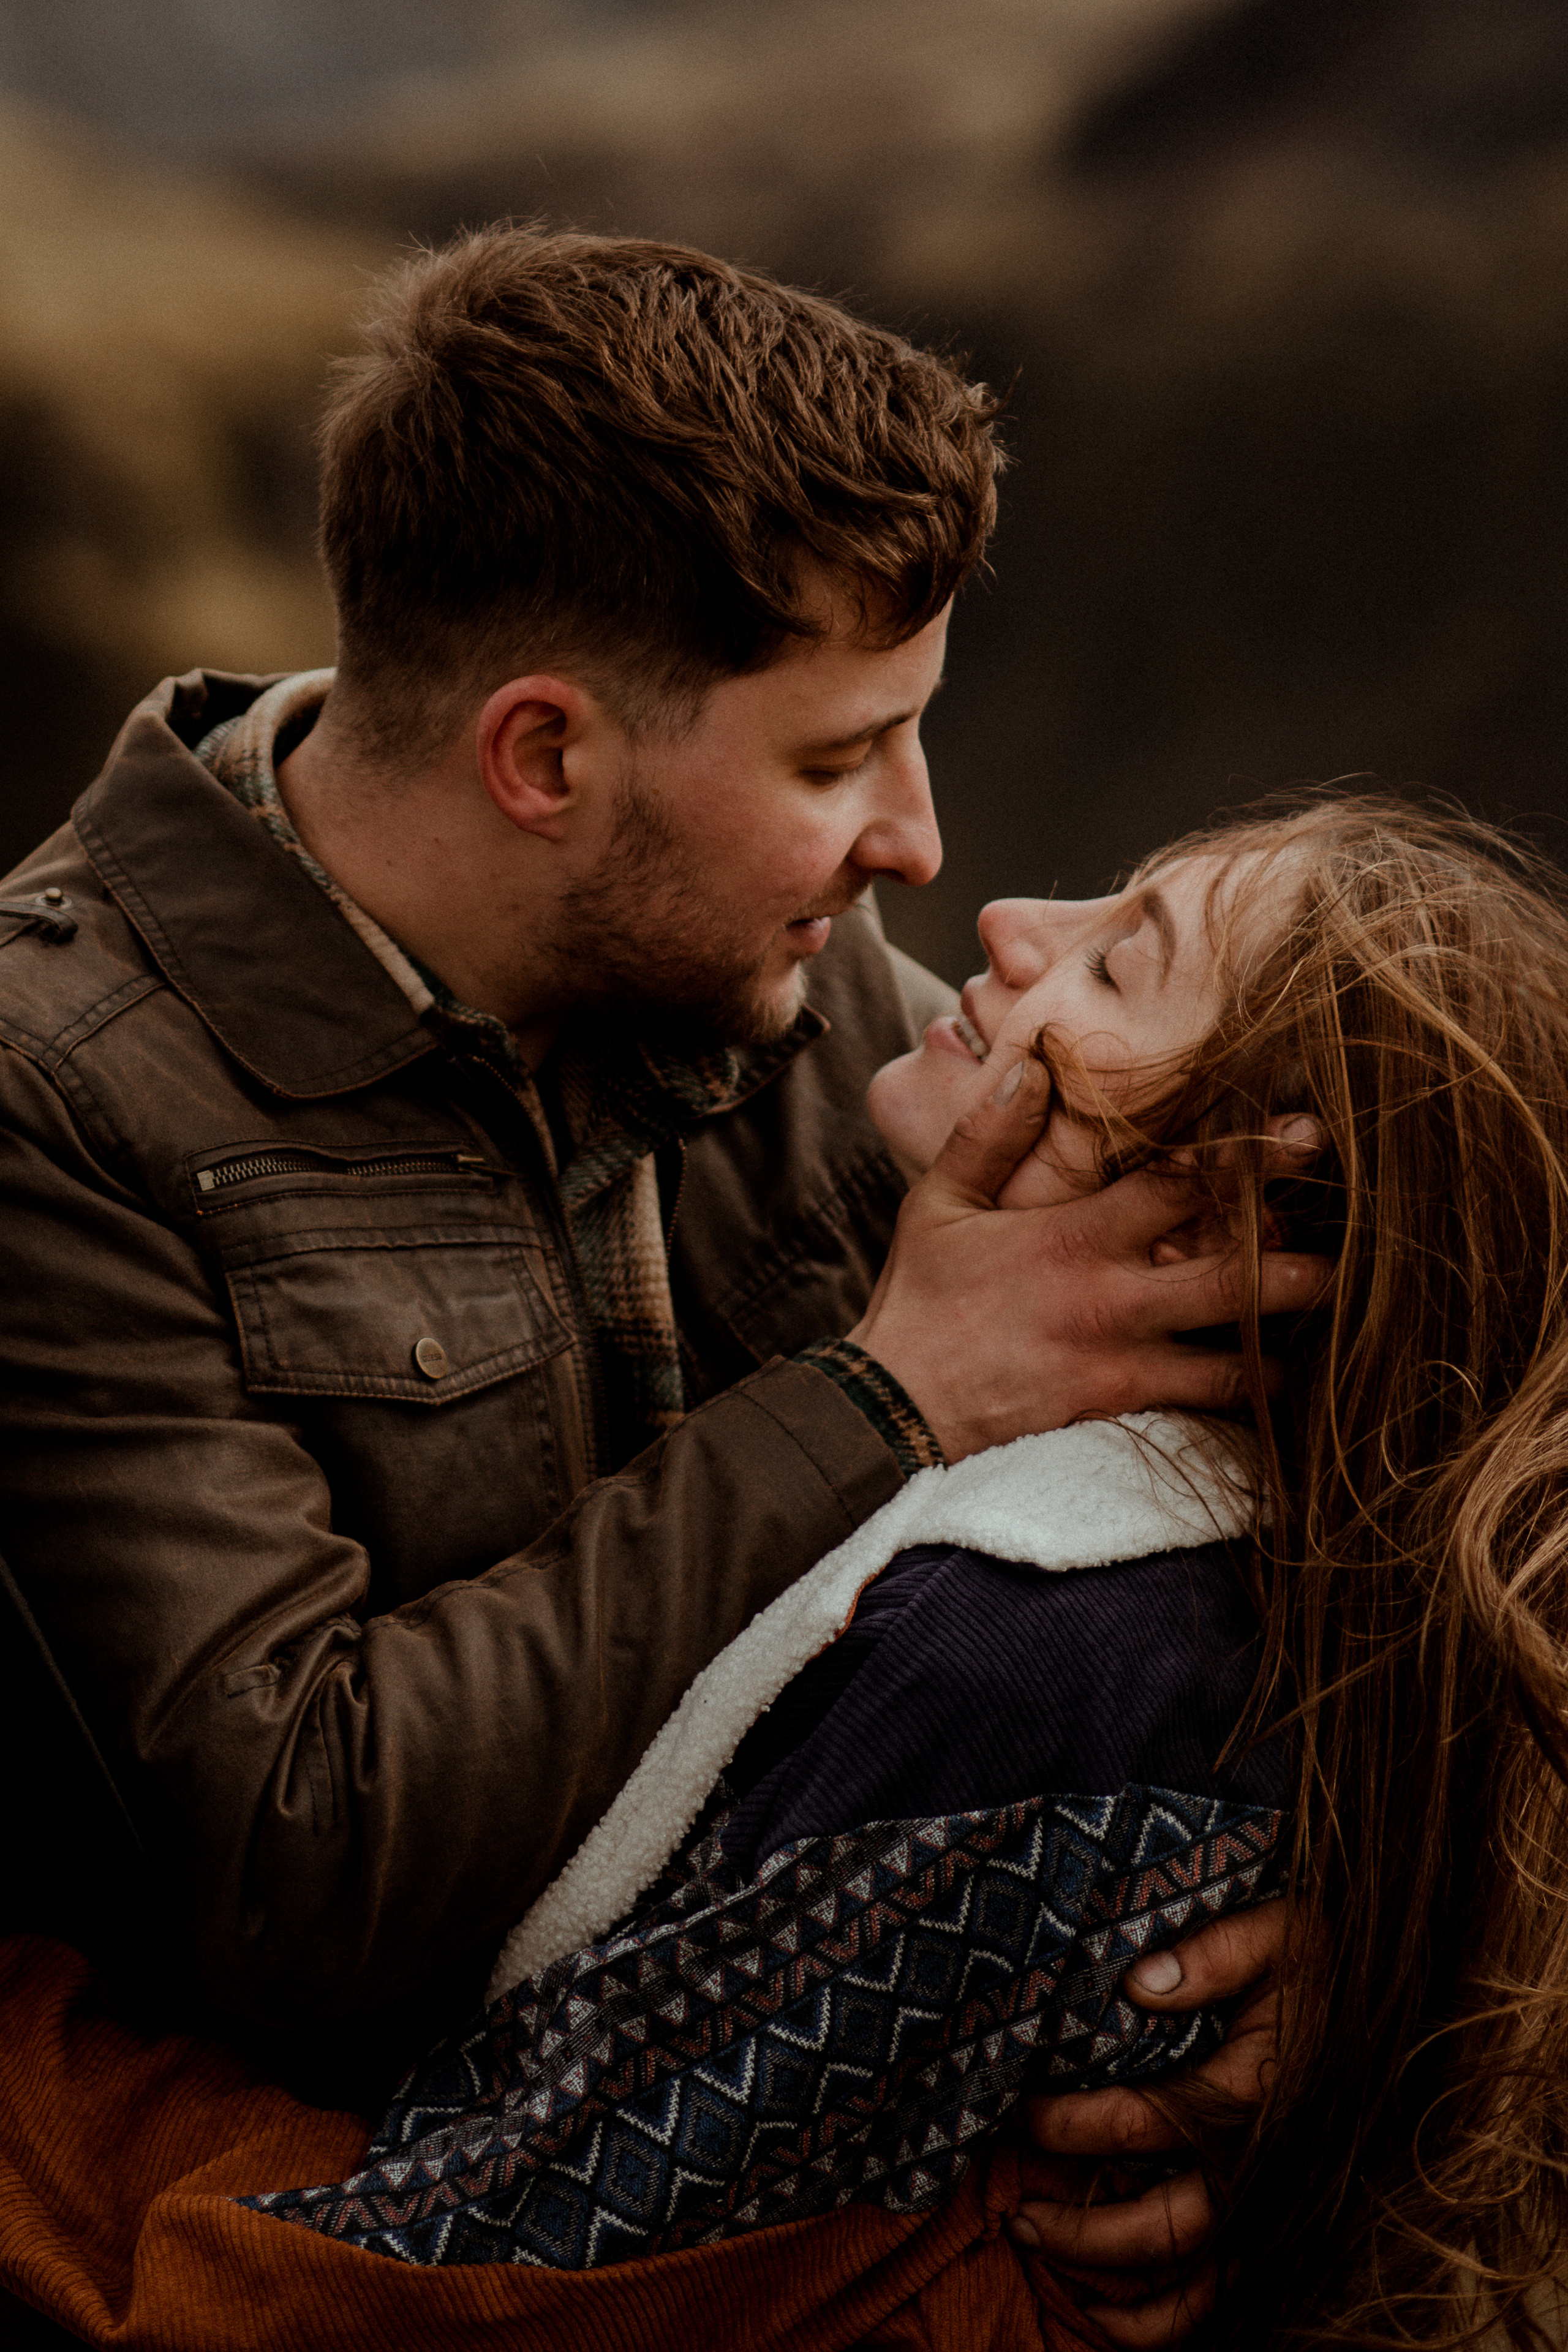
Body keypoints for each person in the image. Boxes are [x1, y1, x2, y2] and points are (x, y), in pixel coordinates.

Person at [0, 218, 1308, 2341]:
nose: (917, 844)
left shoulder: (780, 973)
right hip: (314, 2216)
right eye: (831, 761)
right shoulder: (52, 1109)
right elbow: (299, 1876)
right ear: (542, 759)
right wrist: (887, 1403)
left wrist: (1268, 1972)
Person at [247, 797, 1568, 2348]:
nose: (1005, 921)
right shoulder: (1224, 1586)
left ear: (1251, 1201)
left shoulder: (1023, 1644)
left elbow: (504, 2258)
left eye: (1121, 963)